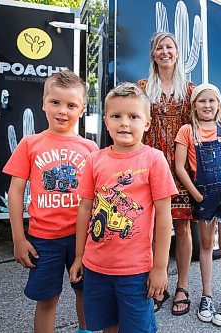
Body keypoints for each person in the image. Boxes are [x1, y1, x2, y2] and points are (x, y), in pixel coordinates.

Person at [70, 82, 177, 333]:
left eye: (133, 117)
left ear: (147, 123)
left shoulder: (153, 159)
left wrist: (160, 268)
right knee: (108, 325)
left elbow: (164, 217)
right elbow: (85, 208)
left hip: (136, 272)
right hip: (96, 268)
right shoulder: (95, 159)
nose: (124, 123)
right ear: (106, 120)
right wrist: (78, 256)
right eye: (116, 116)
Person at [3, 70, 98, 333]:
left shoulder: (91, 149)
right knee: (46, 299)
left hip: (83, 237)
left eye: (71, 105)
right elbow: (15, 192)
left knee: (86, 292)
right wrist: (19, 239)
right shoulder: (29, 144)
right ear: (43, 102)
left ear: (81, 109)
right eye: (55, 102)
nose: (62, 111)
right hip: (43, 238)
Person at [175, 83, 221, 327]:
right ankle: (206, 296)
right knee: (205, 246)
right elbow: (179, 166)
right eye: (202, 101)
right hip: (204, 198)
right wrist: (196, 195)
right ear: (194, 105)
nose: (207, 105)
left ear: (219, 104)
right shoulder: (187, 131)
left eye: (211, 101)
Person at [137, 31, 196, 315]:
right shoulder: (142, 87)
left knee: (182, 228)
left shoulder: (190, 91)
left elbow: (200, 130)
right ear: (153, 54)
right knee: (149, 228)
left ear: (177, 52)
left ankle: (182, 286)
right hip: (148, 167)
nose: (164, 51)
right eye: (159, 47)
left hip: (180, 169)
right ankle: (156, 282)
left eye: (169, 47)